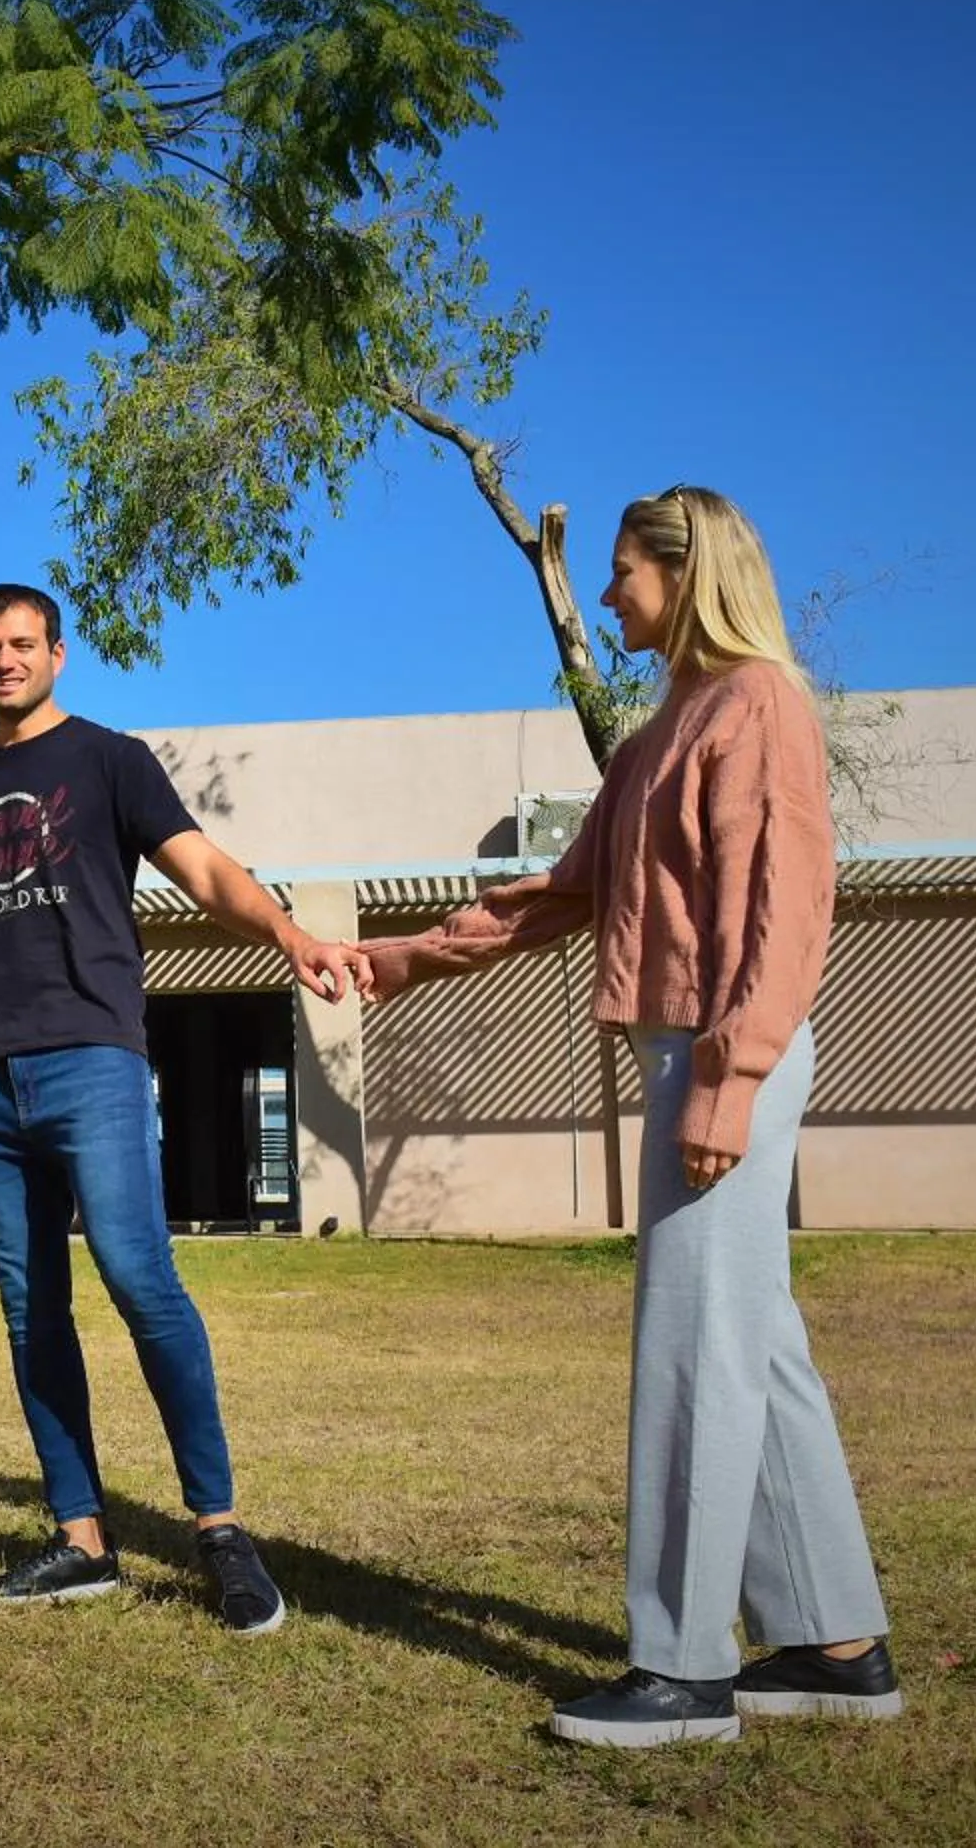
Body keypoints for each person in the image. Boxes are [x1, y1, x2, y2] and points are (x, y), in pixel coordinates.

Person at [361, 486, 900, 1746]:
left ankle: (684, 1669)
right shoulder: (661, 734)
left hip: (726, 1054)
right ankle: (837, 1643)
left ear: (685, 568)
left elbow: (787, 905)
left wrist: (732, 1073)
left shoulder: (760, 703)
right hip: (690, 1055)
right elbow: (564, 892)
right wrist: (396, 957)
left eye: (622, 572)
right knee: (753, 1343)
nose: (606, 595)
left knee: (694, 1350)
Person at [0, 582, 365, 1635]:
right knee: (31, 1311)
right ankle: (82, 1538)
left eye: (21, 643)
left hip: (93, 1062)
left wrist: (288, 933)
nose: (4, 660)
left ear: (57, 653)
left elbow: (204, 871)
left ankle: (220, 1529)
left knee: (141, 1279)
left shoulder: (110, 760)